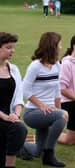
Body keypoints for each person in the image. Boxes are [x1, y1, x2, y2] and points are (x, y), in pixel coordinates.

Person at [22, 32, 68, 167]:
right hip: (32, 113)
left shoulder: (57, 65)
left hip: (48, 112)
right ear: (52, 46)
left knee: (37, 151)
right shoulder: (35, 66)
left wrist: (59, 110)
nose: (61, 47)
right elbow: (25, 90)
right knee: (62, 116)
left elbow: (57, 91)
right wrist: (42, 105)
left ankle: (14, 144)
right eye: (59, 44)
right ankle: (49, 155)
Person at [0, 32, 27, 168]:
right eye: (8, 47)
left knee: (20, 128)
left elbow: (19, 98)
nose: (13, 50)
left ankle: (10, 164)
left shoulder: (14, 69)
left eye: (13, 47)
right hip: (2, 117)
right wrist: (5, 116)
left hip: (9, 117)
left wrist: (15, 115)